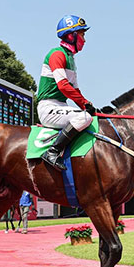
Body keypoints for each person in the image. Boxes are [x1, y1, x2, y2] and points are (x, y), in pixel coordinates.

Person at [37, 15, 95, 171]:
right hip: (48, 107)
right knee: (84, 117)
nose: (84, 39)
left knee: (90, 117)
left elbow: (75, 90)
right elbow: (63, 86)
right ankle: (52, 151)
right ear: (71, 35)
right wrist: (85, 106)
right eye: (82, 34)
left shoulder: (71, 59)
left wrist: (90, 105)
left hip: (60, 106)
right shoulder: (57, 54)